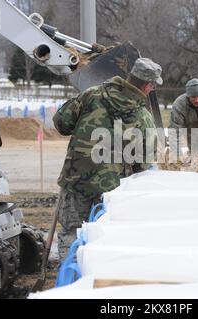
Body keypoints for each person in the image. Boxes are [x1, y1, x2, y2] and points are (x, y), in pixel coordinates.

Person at [52, 57, 162, 262]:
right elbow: (144, 166)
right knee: (104, 239)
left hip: (76, 181)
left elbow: (61, 123)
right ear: (148, 85)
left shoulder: (91, 95)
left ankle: (67, 281)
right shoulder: (143, 118)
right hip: (112, 193)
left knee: (71, 234)